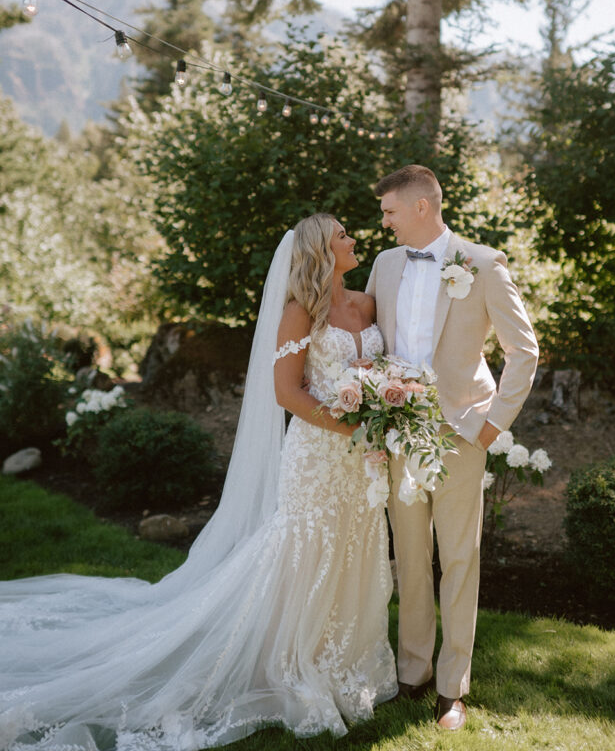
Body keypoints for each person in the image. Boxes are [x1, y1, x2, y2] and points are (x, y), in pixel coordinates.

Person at [0, 213, 397, 751]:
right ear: (321, 253)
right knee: (308, 547)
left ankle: (345, 655)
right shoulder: (300, 314)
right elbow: (288, 392)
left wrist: (388, 407)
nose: (353, 239)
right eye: (342, 236)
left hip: (362, 461)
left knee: (356, 546)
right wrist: (351, 422)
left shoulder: (369, 304)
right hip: (318, 456)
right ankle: (288, 654)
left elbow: (389, 371)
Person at [366, 165, 539, 732]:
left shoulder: (483, 265)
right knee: (409, 558)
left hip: (461, 433)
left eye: (389, 210)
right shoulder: (385, 265)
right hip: (398, 433)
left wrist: (492, 427)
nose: (383, 221)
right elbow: (370, 344)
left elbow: (524, 351)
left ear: (421, 207)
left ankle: (452, 688)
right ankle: (411, 672)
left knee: (459, 559)